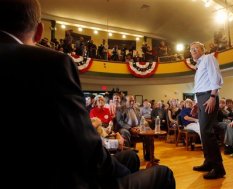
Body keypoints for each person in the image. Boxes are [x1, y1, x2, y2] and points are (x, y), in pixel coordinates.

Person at [0, 1, 176, 188]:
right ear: (39, 31)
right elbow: (85, 146)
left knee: (131, 156)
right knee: (162, 173)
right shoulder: (50, 63)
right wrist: (123, 176)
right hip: (62, 176)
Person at [190, 42, 226, 179]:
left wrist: (212, 96)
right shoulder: (199, 65)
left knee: (207, 131)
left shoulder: (208, 58)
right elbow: (199, 85)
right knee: (203, 132)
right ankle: (208, 162)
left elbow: (215, 77)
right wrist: (195, 103)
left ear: (203, 50)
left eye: (195, 48)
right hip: (201, 97)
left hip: (208, 96)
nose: (192, 51)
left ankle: (218, 168)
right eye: (191, 49)